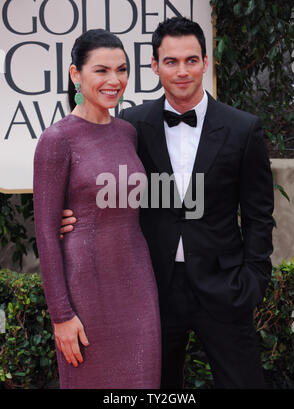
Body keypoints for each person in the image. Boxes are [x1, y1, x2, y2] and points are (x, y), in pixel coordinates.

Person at [61, 17, 274, 389]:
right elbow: (100, 183)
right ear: (155, 66)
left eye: (191, 60)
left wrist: (253, 280)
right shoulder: (129, 125)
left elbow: (258, 214)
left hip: (224, 286)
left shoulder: (243, 128)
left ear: (206, 63)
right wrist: (76, 217)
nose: (182, 71)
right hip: (152, 287)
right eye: (171, 61)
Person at [33, 29, 161, 389]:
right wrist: (61, 315)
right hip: (85, 294)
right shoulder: (57, 139)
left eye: (121, 70)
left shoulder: (127, 132)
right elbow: (45, 234)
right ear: (76, 74)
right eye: (101, 70)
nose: (114, 80)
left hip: (138, 288)